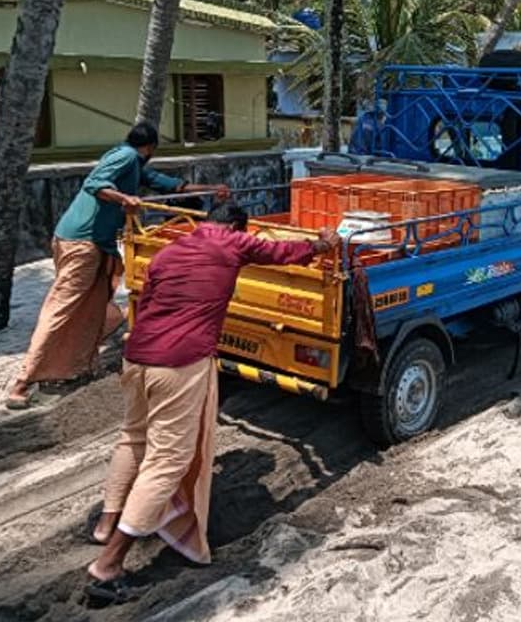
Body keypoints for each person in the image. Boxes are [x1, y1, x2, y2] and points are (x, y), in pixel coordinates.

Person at [85, 201, 339, 603]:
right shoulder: (233, 244)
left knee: (133, 438)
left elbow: (147, 304)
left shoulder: (168, 252)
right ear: (237, 226)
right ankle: (110, 563)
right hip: (179, 363)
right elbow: (283, 252)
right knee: (167, 460)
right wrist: (324, 245)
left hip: (137, 357)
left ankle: (105, 524)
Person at [4, 122, 227, 409]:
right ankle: (23, 382)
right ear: (150, 148)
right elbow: (95, 184)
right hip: (82, 243)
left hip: (97, 244)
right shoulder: (126, 157)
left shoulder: (135, 166)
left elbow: (172, 186)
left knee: (94, 304)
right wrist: (125, 198)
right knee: (64, 306)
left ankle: (75, 367)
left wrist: (212, 189)